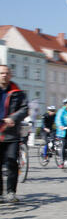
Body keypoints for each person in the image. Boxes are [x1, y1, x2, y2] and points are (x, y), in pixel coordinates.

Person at [0, 65, 28, 203]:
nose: (4, 75)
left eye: (6, 73)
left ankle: (11, 192)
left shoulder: (17, 92)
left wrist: (14, 118)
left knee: (11, 162)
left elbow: (24, 109)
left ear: (10, 75)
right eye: (1, 73)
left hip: (12, 134)